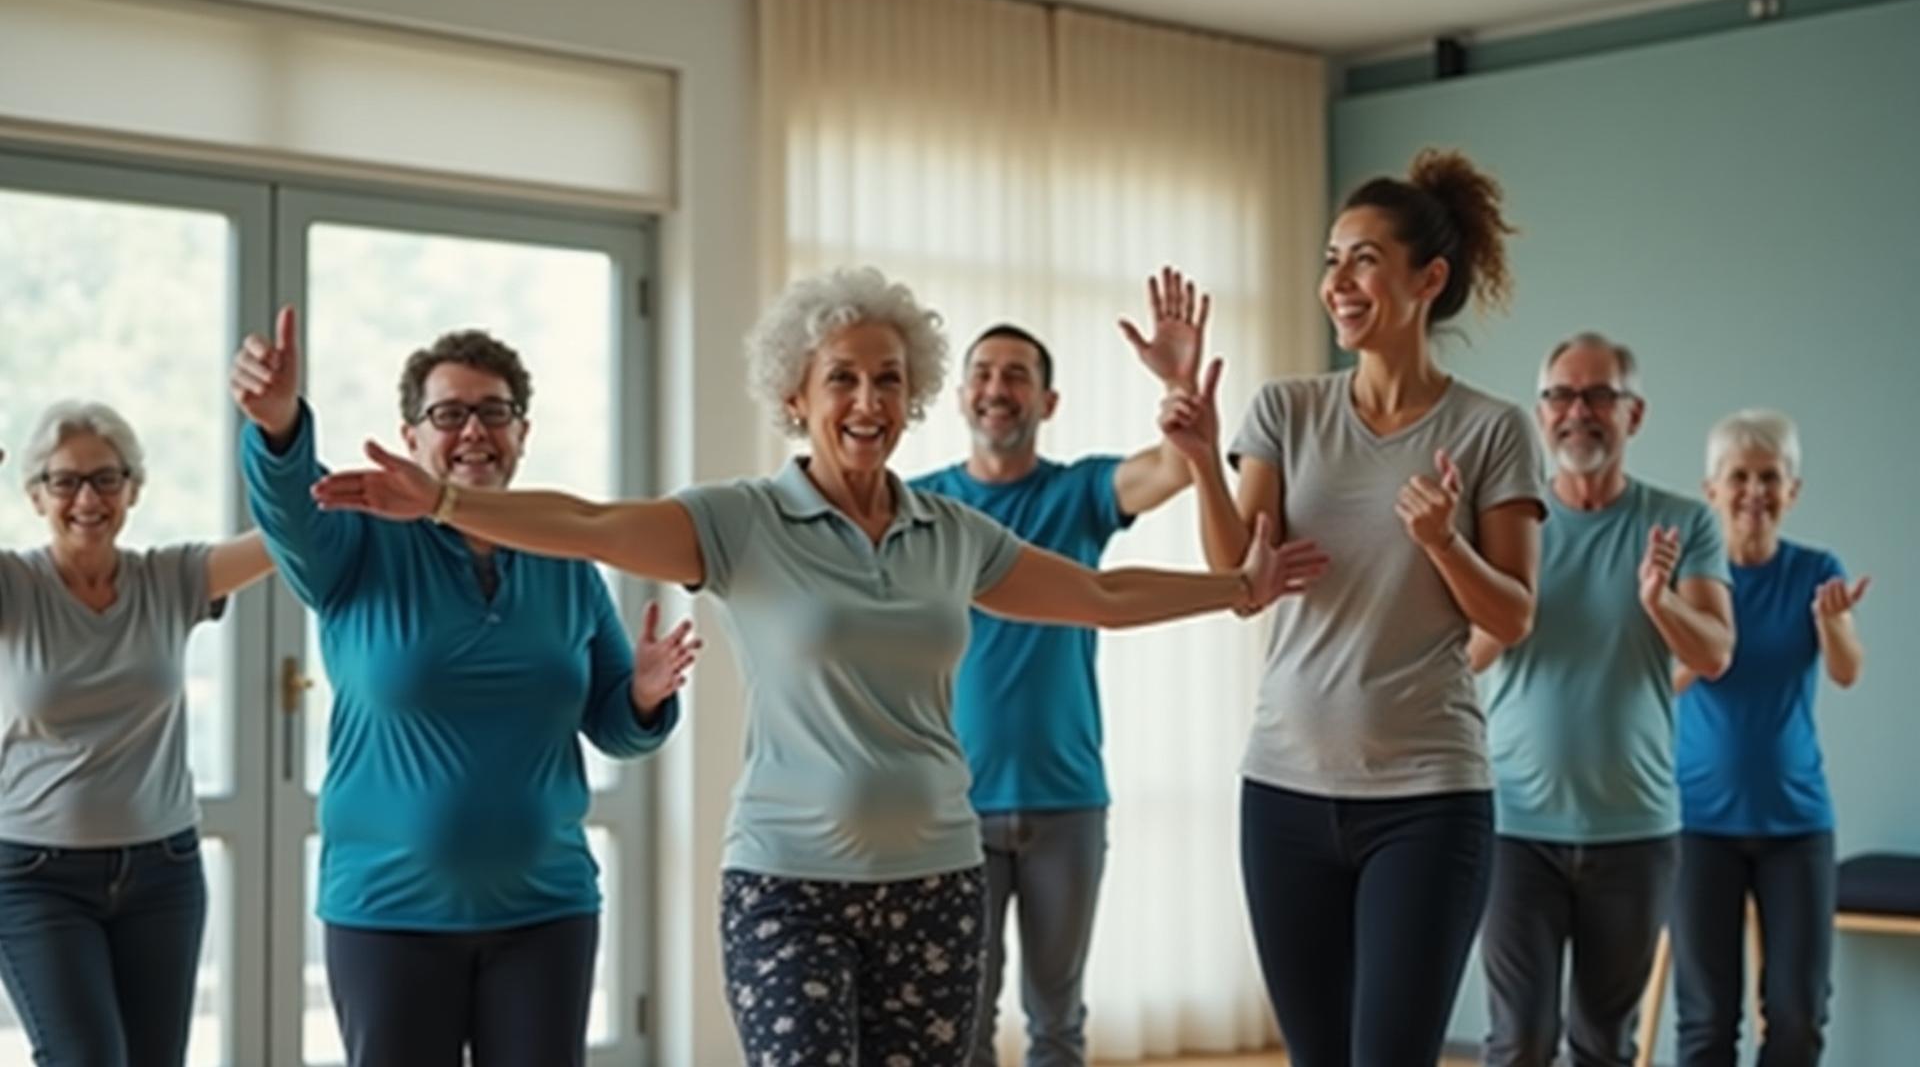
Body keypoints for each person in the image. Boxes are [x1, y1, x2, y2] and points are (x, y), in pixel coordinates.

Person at [304, 266, 1330, 1067]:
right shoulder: (740, 523)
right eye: (841, 376)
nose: (868, 398)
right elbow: (584, 523)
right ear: (796, 394)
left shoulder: (950, 531)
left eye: (889, 378)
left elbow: (1100, 598)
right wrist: (444, 503)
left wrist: (1238, 590)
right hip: (786, 886)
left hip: (935, 879)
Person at [1160, 149, 1547, 1067]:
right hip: (1284, 792)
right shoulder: (1287, 410)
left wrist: (1444, 542)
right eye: (1332, 259)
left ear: (1429, 279)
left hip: (1427, 799)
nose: (1339, 281)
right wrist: (1202, 457)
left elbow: (1514, 615)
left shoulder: (1492, 430)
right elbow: (1240, 582)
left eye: (1365, 258)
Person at [229, 309, 692, 1067]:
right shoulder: (357, 544)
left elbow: (614, 726)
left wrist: (643, 693)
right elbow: (287, 507)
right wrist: (280, 426)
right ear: (411, 437)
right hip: (389, 914)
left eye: (494, 412)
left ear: (522, 433)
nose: (474, 430)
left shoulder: (564, 555)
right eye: (449, 414)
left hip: (547, 910)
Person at [910, 267, 1205, 1067]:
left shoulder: (1078, 494)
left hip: (1067, 805)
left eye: (1017, 376)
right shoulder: (920, 506)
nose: (996, 388)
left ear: (1048, 403)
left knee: (1057, 1023)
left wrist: (1180, 391)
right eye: (982, 374)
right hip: (952, 808)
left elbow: (1172, 470)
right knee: (961, 1025)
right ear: (961, 395)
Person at [1473, 333, 1736, 1067]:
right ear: (1541, 412)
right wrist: (1505, 607)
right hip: (1515, 825)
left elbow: (1714, 651)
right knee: (1518, 1040)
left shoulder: (1684, 523)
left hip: (1636, 831)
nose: (1578, 412)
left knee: (1602, 1043)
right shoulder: (1507, 524)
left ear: (1634, 414)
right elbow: (1463, 654)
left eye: (1598, 396)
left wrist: (1660, 602)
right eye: (1562, 395)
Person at [0, 402, 274, 1067]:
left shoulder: (169, 578)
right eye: (64, 481)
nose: (87, 498)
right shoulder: (14, 585)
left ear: (133, 490)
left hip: (164, 873)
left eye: (106, 479)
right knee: (86, 1058)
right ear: (37, 495)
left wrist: (297, 456)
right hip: (37, 877)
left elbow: (283, 540)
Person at [1671, 409, 1867, 1067]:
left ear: (1793, 490)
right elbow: (1658, 683)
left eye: (1770, 477)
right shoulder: (1692, 579)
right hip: (1698, 825)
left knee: (1796, 1016)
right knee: (1705, 1022)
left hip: (1798, 826)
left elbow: (1845, 671)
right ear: (1712, 489)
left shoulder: (1816, 571)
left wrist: (1832, 624)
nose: (1754, 491)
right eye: (1739, 476)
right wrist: (1685, 635)